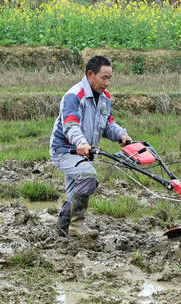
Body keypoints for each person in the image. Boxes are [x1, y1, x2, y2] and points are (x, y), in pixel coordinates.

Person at [50, 55, 132, 238]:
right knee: (88, 177)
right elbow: (70, 124)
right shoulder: (74, 95)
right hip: (65, 150)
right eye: (104, 77)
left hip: (85, 153)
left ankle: (63, 231)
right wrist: (81, 143)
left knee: (74, 192)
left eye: (110, 78)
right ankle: (76, 225)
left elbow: (108, 123)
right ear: (90, 75)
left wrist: (121, 135)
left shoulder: (105, 98)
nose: (108, 83)